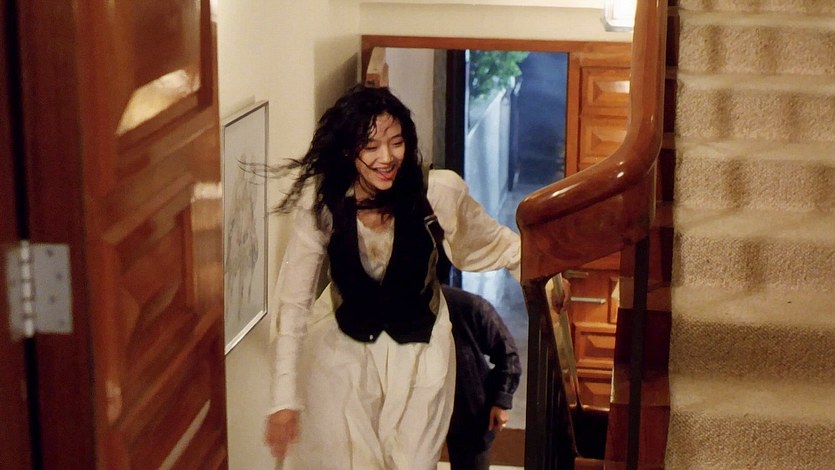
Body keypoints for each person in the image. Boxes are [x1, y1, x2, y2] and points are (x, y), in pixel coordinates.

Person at [263, 85, 522, 470]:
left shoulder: (437, 192)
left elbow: (492, 243)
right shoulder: (323, 205)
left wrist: (544, 273)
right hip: (344, 353)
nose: (386, 158)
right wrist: (284, 398)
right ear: (349, 151)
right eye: (371, 147)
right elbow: (293, 303)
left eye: (396, 143)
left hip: (420, 352)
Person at [441, 285, 521, 470]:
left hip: (467, 409)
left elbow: (507, 354)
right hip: (418, 409)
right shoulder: (397, 307)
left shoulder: (468, 305)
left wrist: (501, 400)